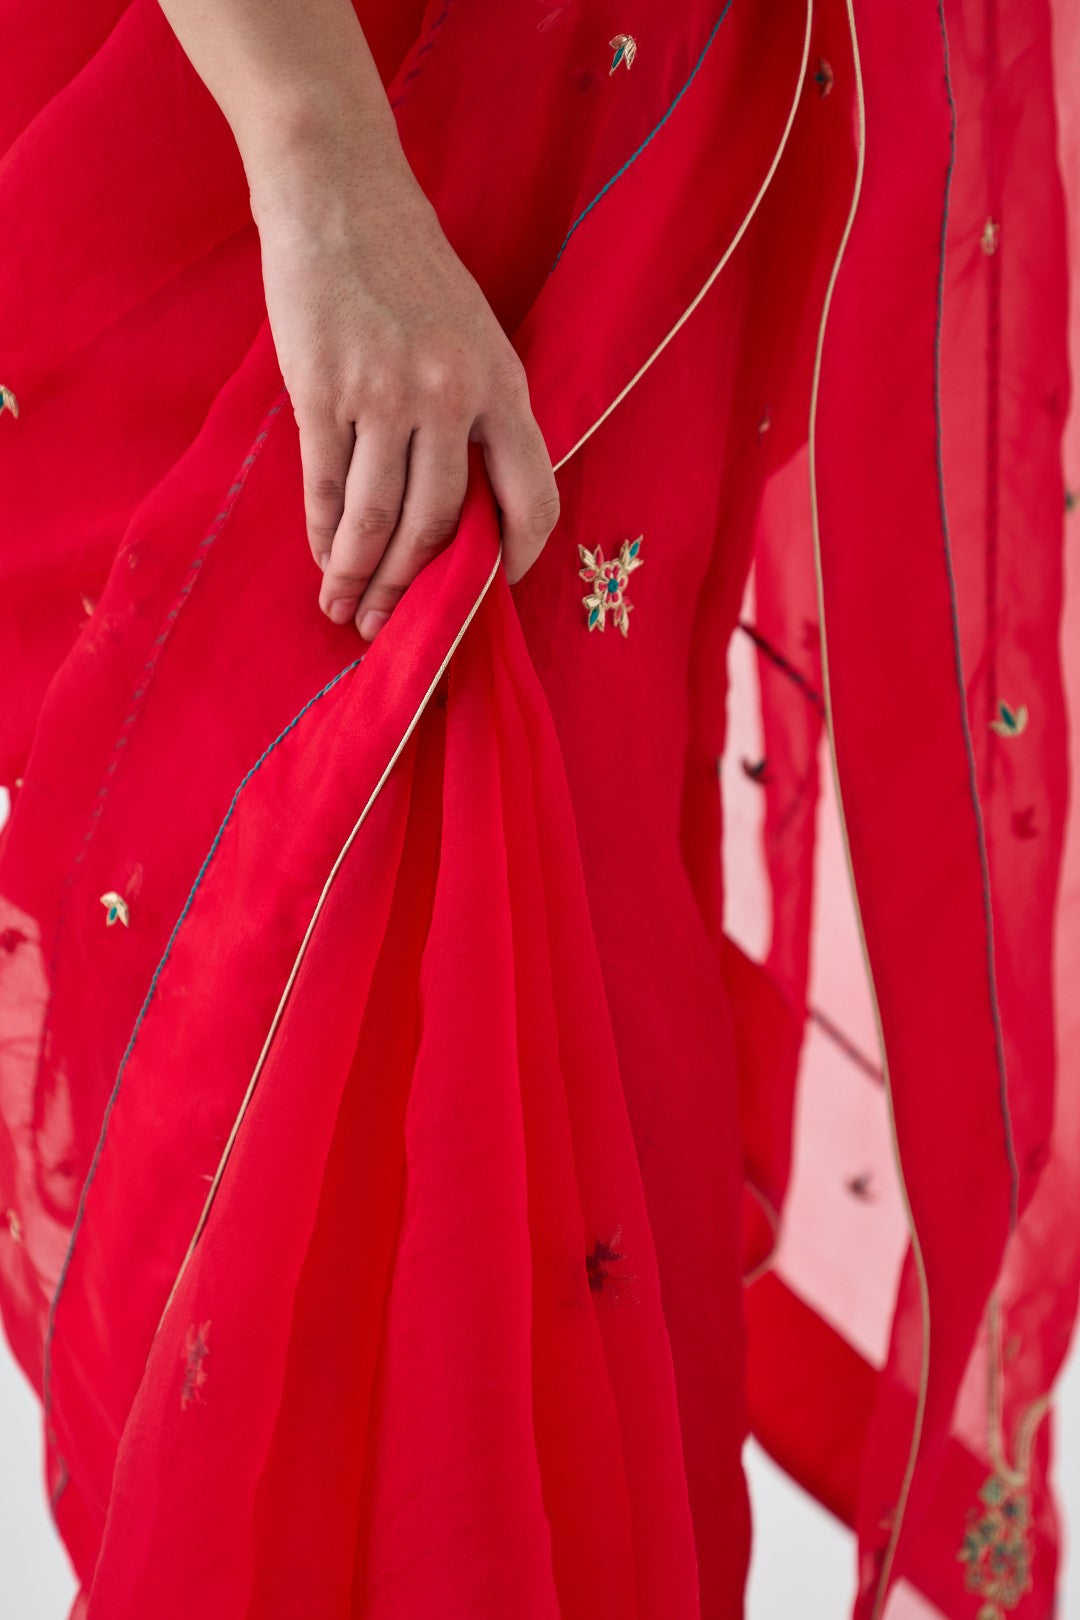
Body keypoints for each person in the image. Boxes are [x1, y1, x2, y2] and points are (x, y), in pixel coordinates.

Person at [0, 0, 1077, 1615]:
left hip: (630, 162)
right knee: (310, 1121)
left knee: (564, 1092)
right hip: (329, 155)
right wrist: (327, 166)